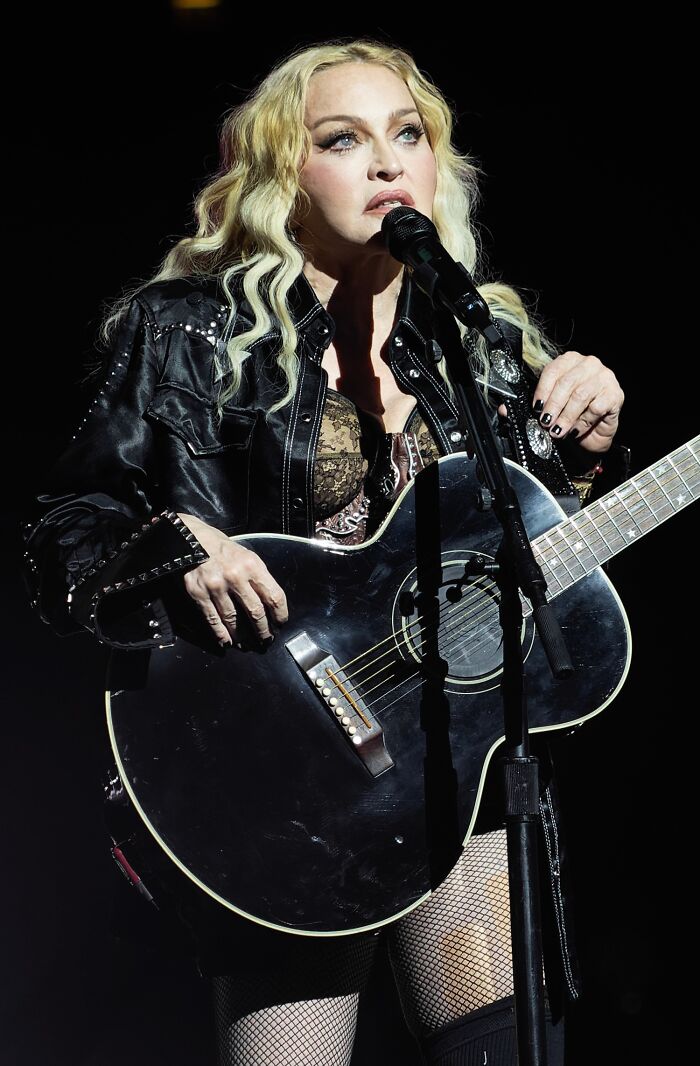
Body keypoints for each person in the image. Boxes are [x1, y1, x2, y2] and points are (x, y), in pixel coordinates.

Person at [21, 37, 627, 1066]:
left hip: (452, 769)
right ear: (280, 179)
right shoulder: (186, 333)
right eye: (342, 140)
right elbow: (63, 533)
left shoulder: (481, 352)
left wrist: (588, 458)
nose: (387, 163)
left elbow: (520, 569)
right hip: (270, 771)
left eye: (409, 135)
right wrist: (178, 550)